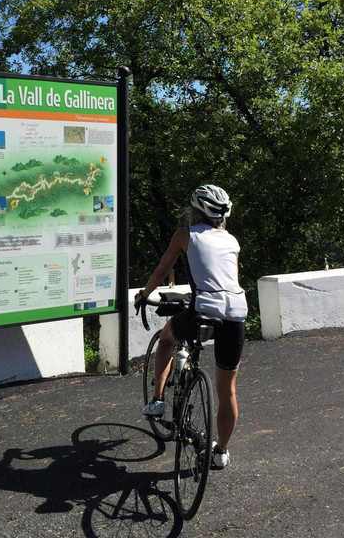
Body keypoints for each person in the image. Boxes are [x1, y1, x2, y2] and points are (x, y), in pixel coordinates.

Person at [135, 184, 247, 471]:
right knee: (228, 390)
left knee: (168, 339)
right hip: (236, 313)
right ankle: (221, 451)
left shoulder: (186, 234)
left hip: (203, 309)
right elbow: (223, 279)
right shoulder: (232, 241)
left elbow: (162, 269)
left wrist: (144, 294)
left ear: (195, 211)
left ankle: (158, 400)